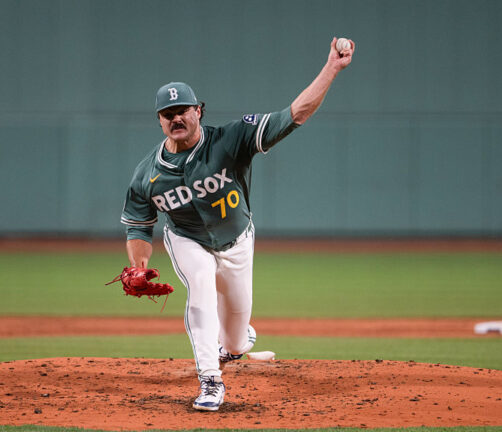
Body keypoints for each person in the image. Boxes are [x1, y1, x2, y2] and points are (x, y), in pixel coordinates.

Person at [119, 36, 355, 411]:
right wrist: (138, 263)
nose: (177, 117)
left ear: (199, 110)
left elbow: (295, 114)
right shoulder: (146, 174)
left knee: (235, 340)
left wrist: (332, 67)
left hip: (238, 242)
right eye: (168, 113)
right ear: (160, 120)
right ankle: (211, 382)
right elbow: (138, 225)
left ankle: (235, 344)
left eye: (184, 109)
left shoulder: (232, 139)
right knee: (199, 288)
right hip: (186, 239)